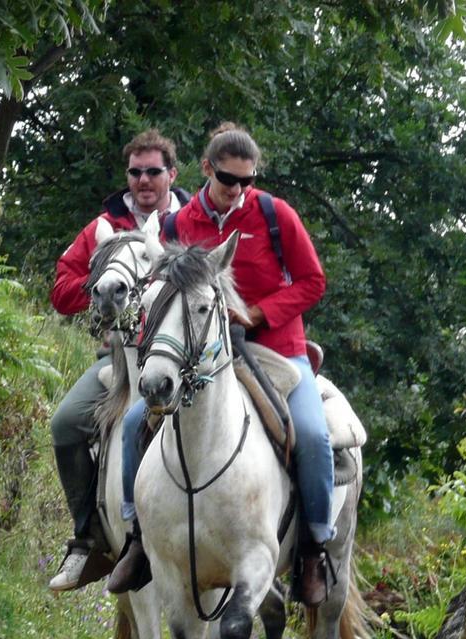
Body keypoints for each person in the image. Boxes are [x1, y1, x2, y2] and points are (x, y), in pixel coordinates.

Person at [106, 123, 335, 606]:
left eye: (247, 181)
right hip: (200, 353)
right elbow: (156, 290)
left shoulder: (275, 215)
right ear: (207, 169)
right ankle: (136, 540)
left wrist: (255, 313)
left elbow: (313, 282)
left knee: (314, 435)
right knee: (132, 425)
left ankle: (315, 547)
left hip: (275, 346)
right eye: (229, 179)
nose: (237, 190)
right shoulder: (175, 225)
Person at [47, 129, 190, 593]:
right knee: (66, 424)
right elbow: (60, 290)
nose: (144, 180)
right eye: (135, 172)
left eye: (153, 171)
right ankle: (88, 539)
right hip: (119, 357)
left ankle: (284, 541)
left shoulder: (191, 221)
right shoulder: (102, 226)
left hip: (185, 357)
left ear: (172, 174)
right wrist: (100, 291)